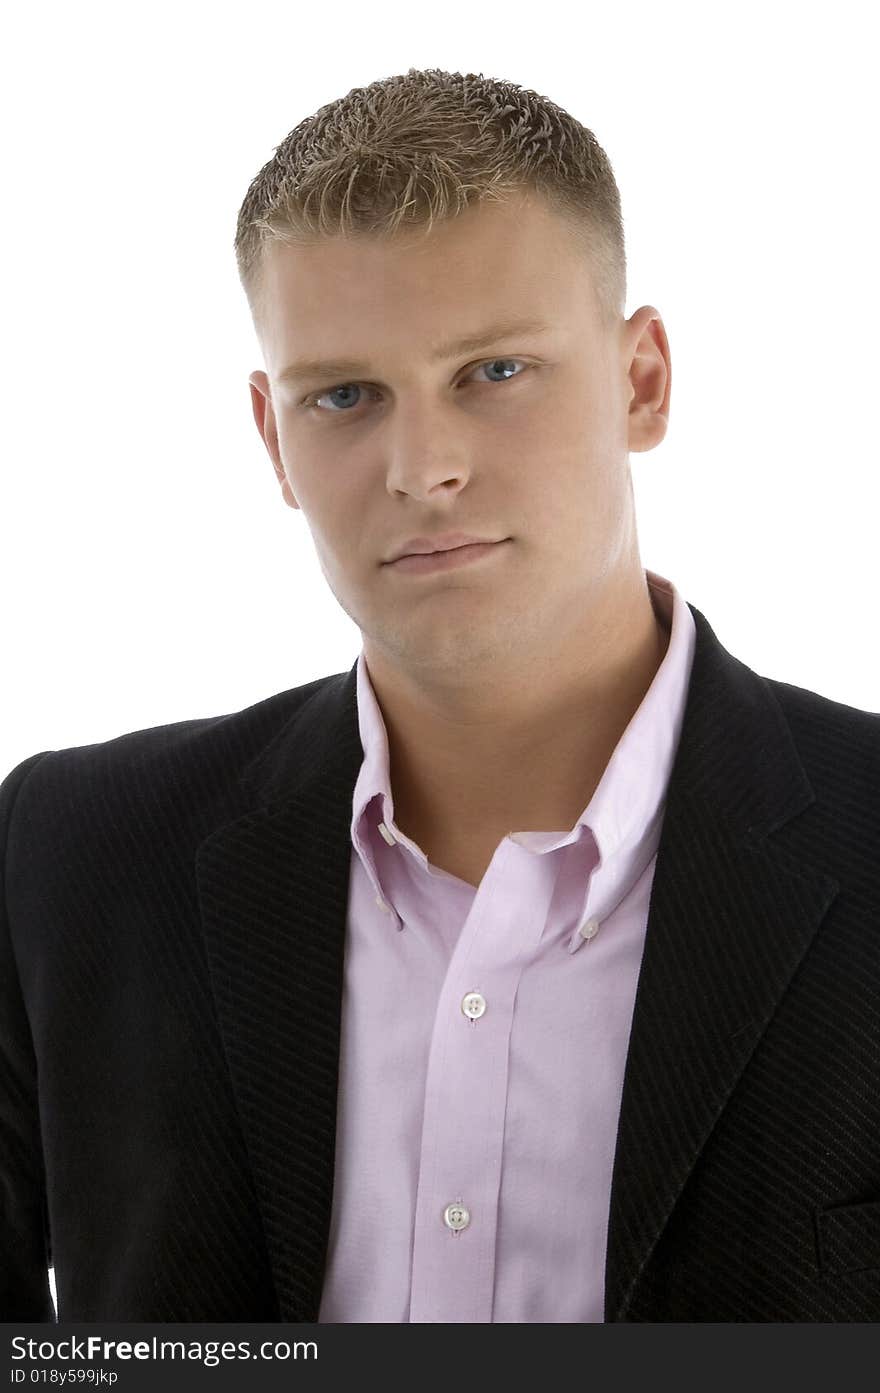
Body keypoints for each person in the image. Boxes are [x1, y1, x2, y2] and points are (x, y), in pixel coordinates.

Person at [2, 67, 878, 1326]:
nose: (424, 469)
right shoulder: (73, 856)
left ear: (642, 381)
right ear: (272, 437)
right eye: (344, 396)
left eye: (495, 371)